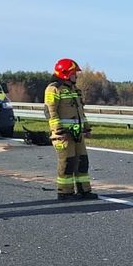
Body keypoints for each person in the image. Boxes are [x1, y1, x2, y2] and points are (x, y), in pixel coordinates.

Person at [44, 58, 96, 201]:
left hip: (77, 133)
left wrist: (86, 128)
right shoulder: (53, 89)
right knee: (67, 163)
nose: (76, 76)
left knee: (82, 162)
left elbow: (80, 112)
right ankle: (65, 192)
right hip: (63, 135)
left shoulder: (74, 90)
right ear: (65, 73)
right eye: (74, 73)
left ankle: (84, 190)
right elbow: (50, 111)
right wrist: (58, 130)